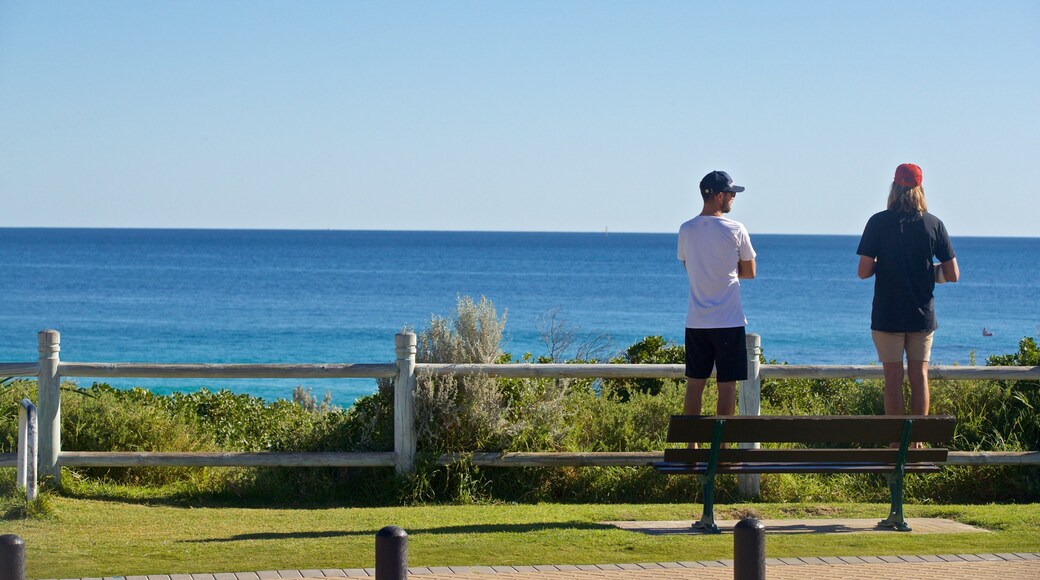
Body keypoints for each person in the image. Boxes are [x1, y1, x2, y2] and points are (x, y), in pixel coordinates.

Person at [857, 163, 960, 417]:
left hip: (887, 315)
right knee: (919, 376)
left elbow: (863, 271)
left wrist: (885, 264)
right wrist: (928, 270)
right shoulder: (934, 224)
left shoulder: (877, 222)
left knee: (892, 378)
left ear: (894, 187)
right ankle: (917, 443)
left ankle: (895, 444)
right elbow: (953, 275)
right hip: (921, 314)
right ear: (920, 189)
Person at [678, 170, 757, 418]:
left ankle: (692, 449)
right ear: (720, 196)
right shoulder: (736, 229)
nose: (734, 197)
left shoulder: (686, 229)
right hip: (729, 321)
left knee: (694, 385)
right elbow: (751, 271)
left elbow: (688, 265)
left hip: (697, 321)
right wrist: (728, 270)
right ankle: (721, 450)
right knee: (727, 388)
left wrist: (709, 269)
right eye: (732, 193)